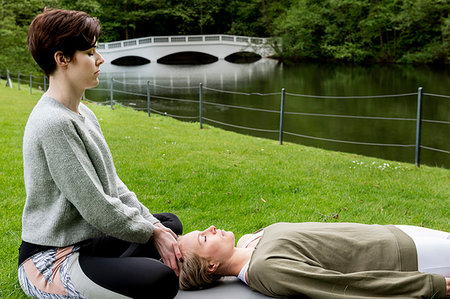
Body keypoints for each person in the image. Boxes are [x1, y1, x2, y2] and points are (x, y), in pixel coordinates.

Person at [18, 8, 183, 299]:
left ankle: (114, 270)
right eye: (90, 52)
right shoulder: (53, 123)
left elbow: (113, 186)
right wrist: (152, 234)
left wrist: (155, 227)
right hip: (52, 259)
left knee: (169, 224)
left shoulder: (83, 113)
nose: (100, 59)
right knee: (160, 279)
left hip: (89, 242)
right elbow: (98, 209)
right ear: (62, 59)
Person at [177, 222, 450, 298]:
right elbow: (342, 287)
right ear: (211, 266)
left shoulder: (249, 241)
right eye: (203, 239)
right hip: (408, 258)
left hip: (394, 233)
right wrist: (428, 286)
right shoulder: (266, 268)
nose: (210, 229)